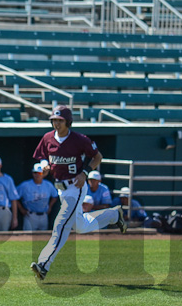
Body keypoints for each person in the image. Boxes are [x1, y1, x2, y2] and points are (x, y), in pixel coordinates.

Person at [30, 105, 127, 281]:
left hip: (76, 186)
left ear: (68, 122)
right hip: (60, 189)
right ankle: (113, 215)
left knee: (60, 225)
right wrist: (44, 164)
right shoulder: (48, 138)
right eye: (54, 120)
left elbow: (97, 156)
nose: (56, 123)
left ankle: (44, 264)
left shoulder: (79, 139)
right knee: (80, 226)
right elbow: (42, 155)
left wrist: (85, 173)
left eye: (60, 120)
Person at [17, 163, 58, 231]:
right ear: (32, 173)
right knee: (28, 238)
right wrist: (21, 209)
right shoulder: (25, 185)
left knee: (43, 238)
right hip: (30, 215)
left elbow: (55, 196)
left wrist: (50, 206)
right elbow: (14, 197)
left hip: (44, 215)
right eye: (35, 173)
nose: (37, 175)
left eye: (39, 173)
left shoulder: (48, 185)